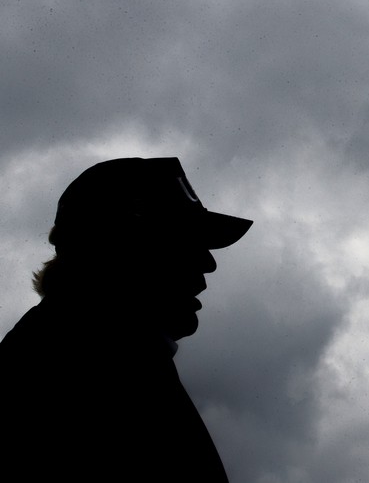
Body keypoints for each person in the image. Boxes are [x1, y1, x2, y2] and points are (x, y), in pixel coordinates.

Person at [0, 157, 252, 481]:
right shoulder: (88, 372)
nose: (208, 264)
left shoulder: (114, 357)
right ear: (117, 251)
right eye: (182, 244)